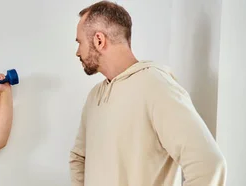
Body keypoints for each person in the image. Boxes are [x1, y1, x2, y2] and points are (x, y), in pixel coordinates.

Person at [69, 1, 226, 186]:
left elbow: (207, 164)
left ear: (99, 40)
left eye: (79, 42)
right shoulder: (94, 96)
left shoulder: (156, 85)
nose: (77, 52)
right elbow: (79, 157)